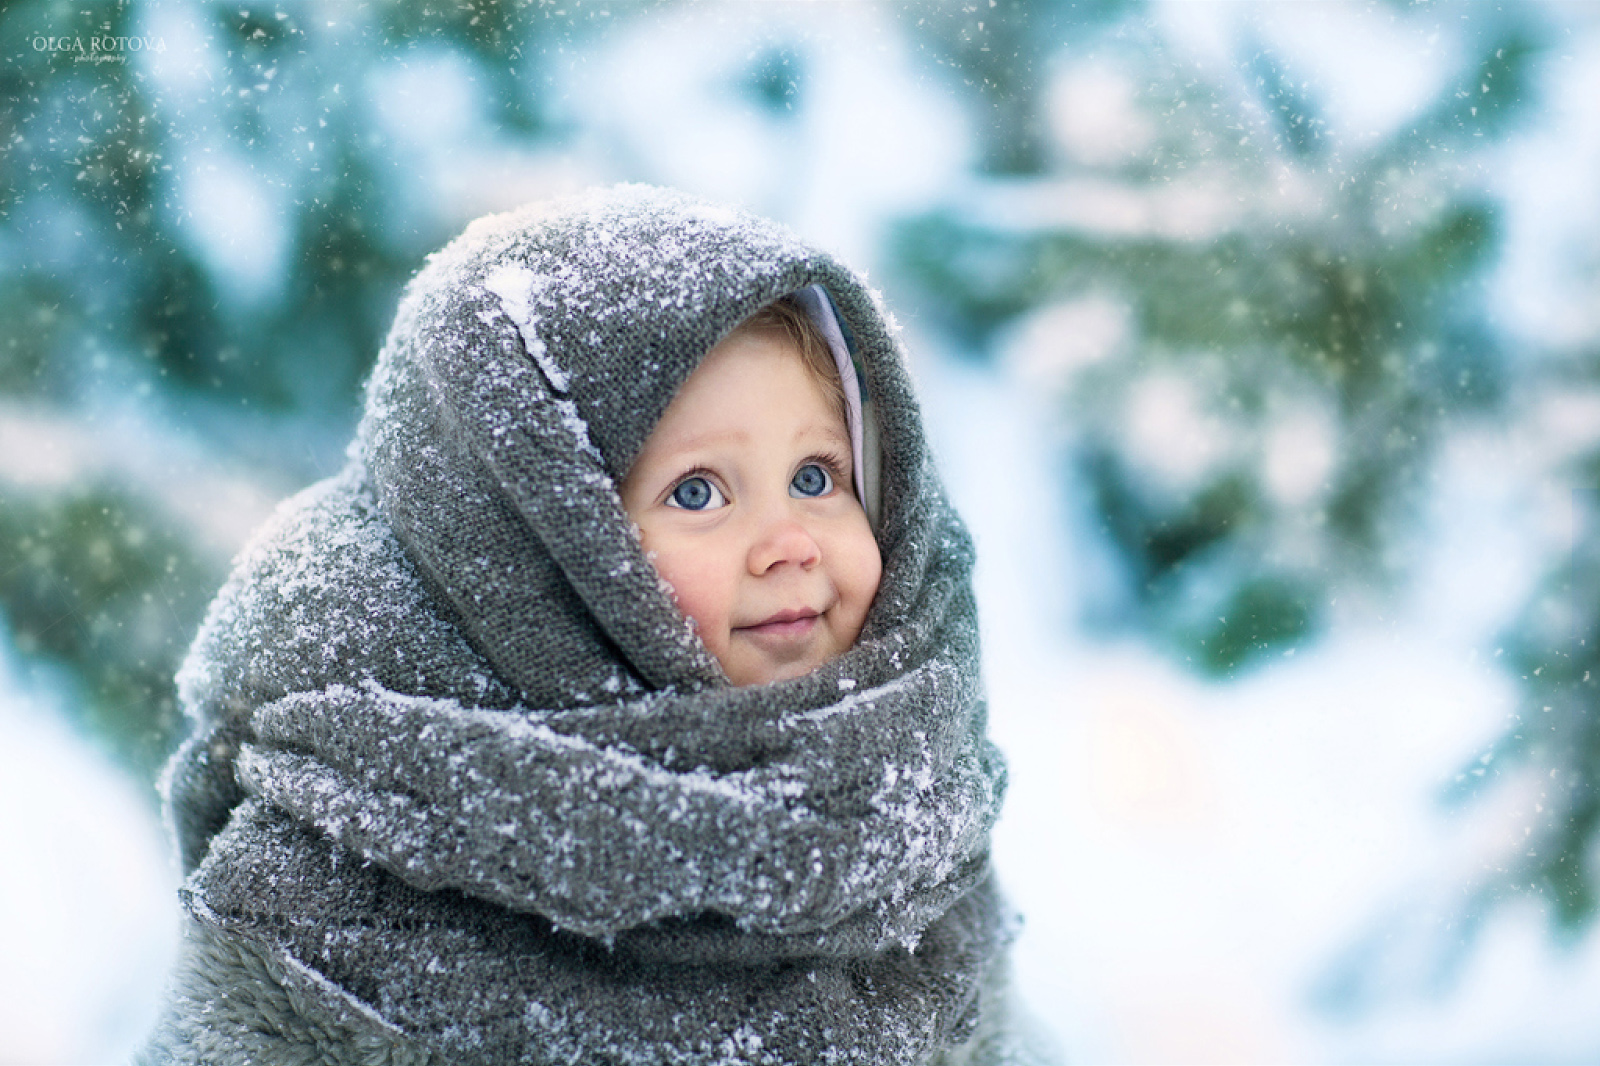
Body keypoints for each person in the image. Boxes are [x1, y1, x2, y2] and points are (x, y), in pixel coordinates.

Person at [138, 185, 1048, 1064]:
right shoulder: (341, 905)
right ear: (537, 554)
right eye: (699, 492)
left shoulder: (904, 808)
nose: (789, 544)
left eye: (817, 477)